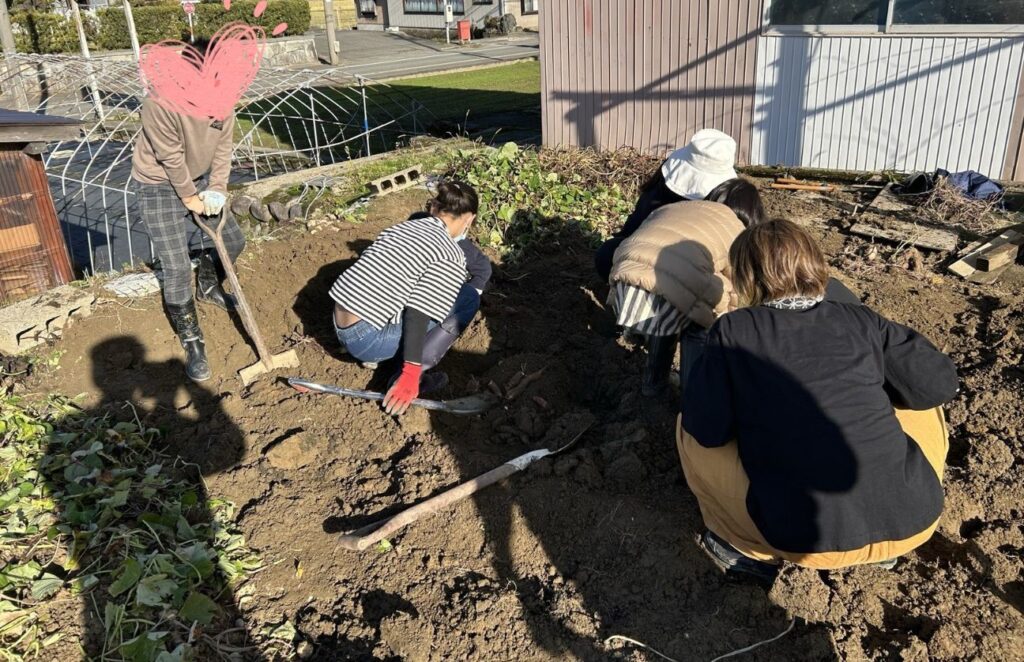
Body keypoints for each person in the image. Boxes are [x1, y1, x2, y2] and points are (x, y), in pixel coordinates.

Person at [678, 219, 958, 584]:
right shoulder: (860, 319)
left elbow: (708, 428)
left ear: (745, 275)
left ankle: (742, 548)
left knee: (687, 426)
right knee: (920, 404)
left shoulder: (733, 330)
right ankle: (880, 551)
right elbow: (939, 384)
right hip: (913, 521)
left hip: (799, 538)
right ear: (814, 264)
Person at [130, 36, 241, 383]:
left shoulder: (224, 100)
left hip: (199, 178)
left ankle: (208, 283)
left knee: (235, 243)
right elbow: (170, 155)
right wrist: (191, 197)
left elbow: (223, 148)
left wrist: (218, 189)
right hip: (158, 184)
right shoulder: (161, 102)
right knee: (176, 266)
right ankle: (192, 339)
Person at [330, 181, 485, 416]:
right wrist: (410, 375)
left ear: (433, 207)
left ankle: (388, 357)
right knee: (467, 297)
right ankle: (408, 374)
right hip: (366, 340)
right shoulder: (450, 254)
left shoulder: (403, 228)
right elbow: (418, 311)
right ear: (469, 219)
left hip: (339, 324)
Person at [608, 178, 764, 396]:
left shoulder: (678, 207)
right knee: (700, 321)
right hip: (660, 296)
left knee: (678, 300)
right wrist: (727, 317)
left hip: (622, 284)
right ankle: (692, 393)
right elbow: (735, 285)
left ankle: (653, 383)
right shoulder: (736, 230)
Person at [594, 129, 739, 283]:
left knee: (608, 252)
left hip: (642, 270)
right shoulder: (729, 208)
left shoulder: (657, 192)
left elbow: (632, 229)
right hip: (695, 279)